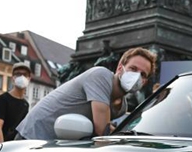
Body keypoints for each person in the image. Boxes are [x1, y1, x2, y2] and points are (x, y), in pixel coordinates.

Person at [17, 48, 156, 141]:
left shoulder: (122, 107)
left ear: (145, 82)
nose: (137, 76)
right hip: (31, 138)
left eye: (143, 74)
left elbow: (107, 128)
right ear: (120, 67)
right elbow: (102, 132)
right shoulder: (100, 75)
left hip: (56, 146)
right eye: (133, 68)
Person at [0, 61, 32, 145]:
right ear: (13, 77)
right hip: (2, 147)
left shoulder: (25, 104)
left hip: (14, 148)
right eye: (18, 74)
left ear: (29, 78)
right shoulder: (3, 99)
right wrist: (1, 148)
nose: (21, 77)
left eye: (25, 74)